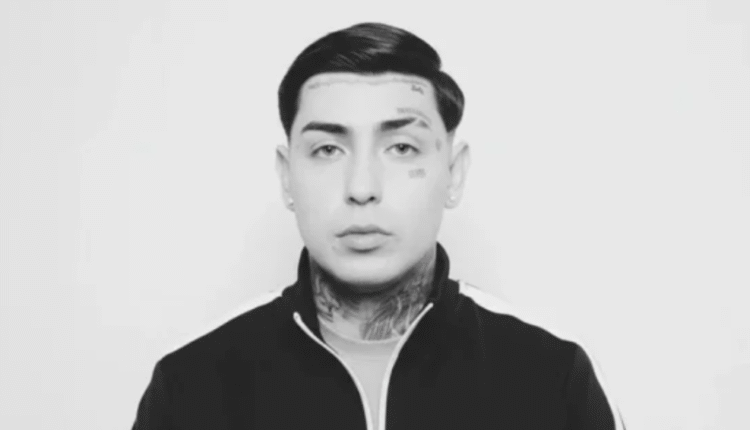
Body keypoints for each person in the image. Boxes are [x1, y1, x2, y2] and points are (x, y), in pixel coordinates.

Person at [132, 22, 625, 430]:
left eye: (402, 148)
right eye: (328, 149)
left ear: (453, 174)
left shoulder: (552, 374)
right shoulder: (190, 383)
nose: (362, 187)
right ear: (286, 177)